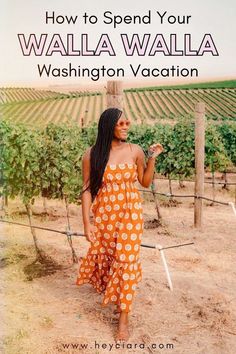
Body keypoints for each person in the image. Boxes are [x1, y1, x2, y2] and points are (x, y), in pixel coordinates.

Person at [76, 107, 164, 343]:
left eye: (128, 123)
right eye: (121, 123)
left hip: (130, 215)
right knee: (109, 258)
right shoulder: (92, 154)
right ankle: (119, 300)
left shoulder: (135, 151)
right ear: (108, 126)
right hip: (105, 216)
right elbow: (86, 189)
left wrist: (152, 158)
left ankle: (123, 320)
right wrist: (87, 223)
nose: (126, 127)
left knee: (126, 261)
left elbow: (145, 182)